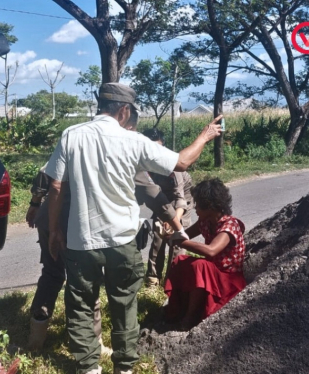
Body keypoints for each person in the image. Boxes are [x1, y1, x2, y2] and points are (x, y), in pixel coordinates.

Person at [45, 82, 222, 374]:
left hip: (81, 240)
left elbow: (55, 185)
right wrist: (205, 135)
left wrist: (54, 230)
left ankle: (89, 368)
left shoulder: (71, 135)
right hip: (122, 240)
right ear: (125, 111)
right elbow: (183, 162)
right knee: (124, 303)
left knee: (80, 304)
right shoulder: (133, 141)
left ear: (99, 105)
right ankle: (124, 368)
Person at [24, 109, 187, 352]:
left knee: (52, 274)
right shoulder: (124, 147)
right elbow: (155, 196)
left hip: (50, 220)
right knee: (86, 284)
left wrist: (35, 204)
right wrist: (178, 227)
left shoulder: (76, 137)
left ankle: (36, 337)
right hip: (75, 226)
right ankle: (93, 344)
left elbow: (46, 174)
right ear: (127, 124)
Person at [164, 177, 247, 331]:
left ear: (209, 206)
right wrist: (170, 234)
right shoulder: (206, 222)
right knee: (181, 260)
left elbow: (211, 250)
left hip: (228, 280)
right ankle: (177, 309)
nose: (195, 209)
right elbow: (185, 235)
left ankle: (190, 317)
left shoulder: (230, 225)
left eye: (197, 205)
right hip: (213, 274)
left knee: (201, 266)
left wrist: (179, 241)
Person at [141, 128, 194, 286]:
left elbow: (180, 199)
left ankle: (172, 282)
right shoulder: (144, 165)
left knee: (177, 241)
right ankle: (152, 279)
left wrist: (174, 220)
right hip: (162, 201)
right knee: (158, 238)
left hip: (181, 204)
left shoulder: (172, 166)